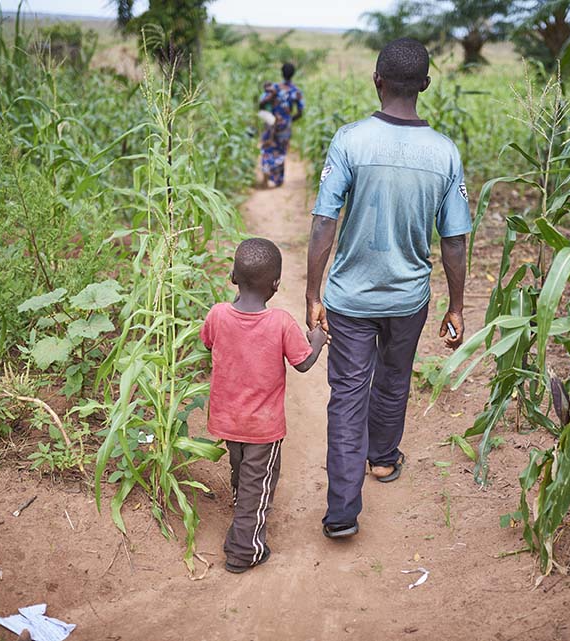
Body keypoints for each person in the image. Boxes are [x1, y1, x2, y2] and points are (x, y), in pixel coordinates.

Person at [304, 38, 471, 539]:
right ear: (424, 85)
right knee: (395, 378)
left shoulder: (350, 141)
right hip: (408, 299)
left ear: (377, 80)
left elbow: (322, 224)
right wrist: (457, 306)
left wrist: (313, 294)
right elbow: (455, 241)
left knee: (348, 394)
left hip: (350, 299)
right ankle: (382, 459)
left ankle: (341, 510)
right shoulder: (444, 153)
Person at [202, 237, 327, 572]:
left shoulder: (217, 315)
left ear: (232, 278)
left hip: (229, 422)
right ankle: (245, 551)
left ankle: (240, 521)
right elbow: (302, 363)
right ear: (276, 285)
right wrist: (318, 339)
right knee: (259, 486)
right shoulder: (281, 323)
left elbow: (207, 341)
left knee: (242, 474)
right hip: (263, 428)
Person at [258, 62, 304, 188]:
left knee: (268, 148)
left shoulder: (274, 88)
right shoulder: (296, 92)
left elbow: (261, 104)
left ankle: (266, 176)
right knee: (281, 151)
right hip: (285, 126)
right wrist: (289, 120)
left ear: (281, 73)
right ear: (293, 74)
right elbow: (300, 112)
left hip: (271, 123)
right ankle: (278, 180)